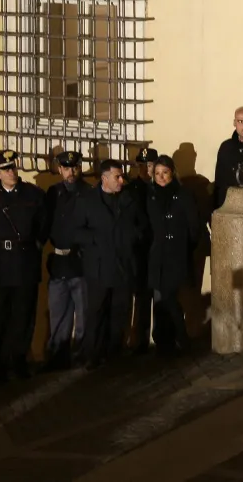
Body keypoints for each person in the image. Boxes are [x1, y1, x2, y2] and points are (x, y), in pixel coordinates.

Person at [0, 150, 48, 383]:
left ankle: (20, 361)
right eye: (6, 169)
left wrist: (34, 244)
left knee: (23, 316)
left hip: (24, 262)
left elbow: (43, 225)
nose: (11, 172)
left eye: (13, 167)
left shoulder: (33, 194)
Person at [75, 157, 150, 369]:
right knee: (97, 312)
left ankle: (114, 353)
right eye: (117, 176)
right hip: (98, 266)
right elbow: (76, 231)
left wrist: (132, 236)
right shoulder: (87, 200)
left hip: (123, 265)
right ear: (104, 178)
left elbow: (141, 226)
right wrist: (96, 239)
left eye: (122, 176)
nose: (121, 180)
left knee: (120, 311)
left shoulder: (129, 199)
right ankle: (93, 354)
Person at [147, 153, 205, 355]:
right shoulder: (150, 196)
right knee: (162, 299)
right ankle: (167, 342)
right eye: (157, 173)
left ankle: (181, 337)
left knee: (169, 296)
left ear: (173, 173)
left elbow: (193, 227)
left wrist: (184, 247)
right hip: (158, 255)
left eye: (165, 173)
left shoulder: (183, 195)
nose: (161, 177)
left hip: (177, 255)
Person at [44, 148, 88, 371]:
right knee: (58, 315)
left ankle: (81, 357)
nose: (71, 172)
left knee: (83, 318)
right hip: (59, 262)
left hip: (80, 262)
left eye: (75, 167)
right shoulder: (53, 193)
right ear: (59, 169)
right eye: (67, 168)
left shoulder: (88, 192)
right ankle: (57, 358)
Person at [125, 149, 156, 354]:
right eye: (141, 165)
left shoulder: (161, 186)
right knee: (140, 296)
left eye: (149, 165)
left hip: (158, 248)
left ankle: (162, 338)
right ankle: (138, 340)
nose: (145, 169)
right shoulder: (130, 189)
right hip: (138, 250)